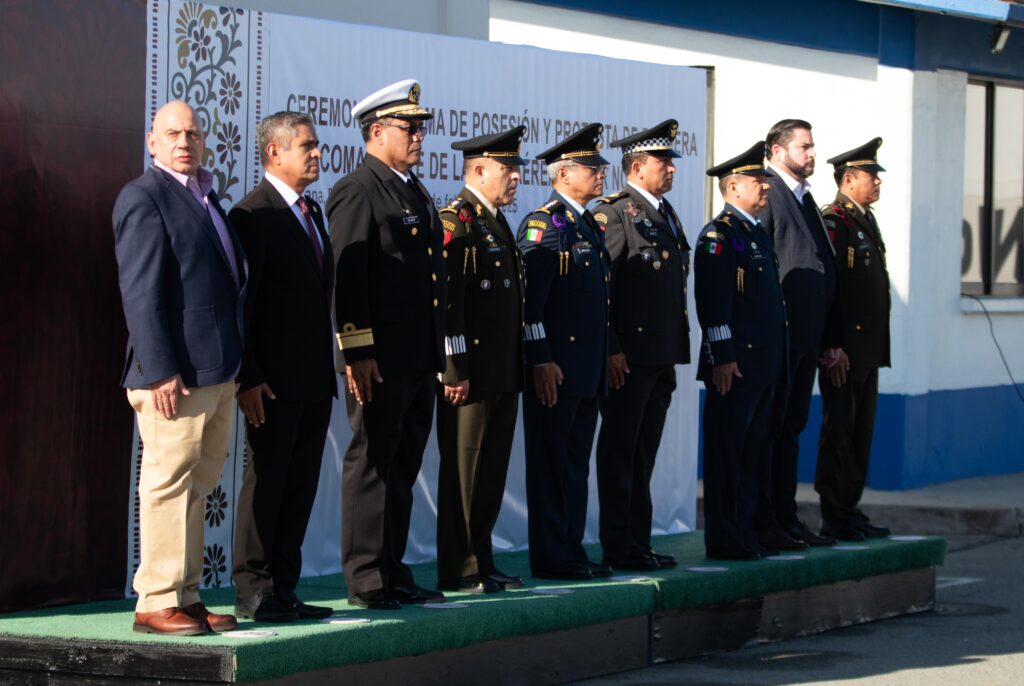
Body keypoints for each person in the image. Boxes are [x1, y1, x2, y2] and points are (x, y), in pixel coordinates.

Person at [113, 100, 246, 635]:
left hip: (216, 372)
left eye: (192, 133)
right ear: (152, 141)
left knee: (198, 484)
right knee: (168, 483)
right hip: (174, 376)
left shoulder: (207, 196)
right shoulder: (144, 197)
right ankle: (156, 599)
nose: (183, 141)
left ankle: (187, 595)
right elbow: (140, 294)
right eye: (172, 133)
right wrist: (161, 368)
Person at [326, 80, 446, 610]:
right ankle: (366, 577)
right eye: (410, 127)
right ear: (377, 131)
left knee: (403, 465)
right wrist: (357, 352)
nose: (420, 136)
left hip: (416, 356)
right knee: (372, 462)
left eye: (422, 127)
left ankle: (392, 568)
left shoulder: (412, 189)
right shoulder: (359, 189)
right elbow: (348, 280)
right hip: (379, 358)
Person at [230, 112, 336, 622]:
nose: (316, 153)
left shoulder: (311, 211)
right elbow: (242, 306)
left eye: (317, 145)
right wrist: (247, 376)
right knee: (267, 485)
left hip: (313, 381)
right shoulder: (253, 215)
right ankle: (254, 590)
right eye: (307, 146)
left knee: (299, 489)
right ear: (275, 152)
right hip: (269, 384)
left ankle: (285, 590)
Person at [592, 120, 691, 571]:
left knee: (644, 453)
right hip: (628, 360)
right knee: (620, 452)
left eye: (671, 161)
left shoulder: (665, 212)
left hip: (660, 356)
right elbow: (602, 288)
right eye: (662, 162)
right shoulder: (614, 213)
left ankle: (638, 540)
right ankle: (619, 544)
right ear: (636, 166)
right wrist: (611, 345)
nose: (670, 169)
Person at [517, 123, 612, 581]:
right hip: (555, 370)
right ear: (564, 174)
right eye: (592, 167)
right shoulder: (545, 224)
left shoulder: (587, 224)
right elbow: (530, 305)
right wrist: (540, 359)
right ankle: (553, 555)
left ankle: (571, 548)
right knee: (552, 466)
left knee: (575, 466)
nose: (601, 173)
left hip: (586, 370)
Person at [435, 127, 527, 594]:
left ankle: (483, 559)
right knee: (465, 471)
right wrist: (454, 369)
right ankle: (460, 566)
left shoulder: (496, 221)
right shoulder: (457, 220)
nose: (515, 177)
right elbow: (447, 302)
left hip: (501, 371)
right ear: (479, 170)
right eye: (506, 169)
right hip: (468, 374)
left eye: (516, 169)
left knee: (491, 471)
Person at [756, 119, 848, 551]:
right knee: (771, 430)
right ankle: (767, 520)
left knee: (792, 428)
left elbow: (823, 269)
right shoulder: (770, 194)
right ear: (777, 151)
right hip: (781, 338)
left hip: (806, 341)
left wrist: (830, 337)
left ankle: (787, 516)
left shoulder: (805, 199)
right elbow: (766, 269)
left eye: (812, 146)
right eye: (804, 147)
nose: (812, 154)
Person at [695, 142, 788, 560]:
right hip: (735, 365)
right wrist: (723, 356)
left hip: (763, 365)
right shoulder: (719, 235)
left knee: (754, 454)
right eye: (758, 181)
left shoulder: (755, 232)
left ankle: (745, 530)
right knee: (728, 454)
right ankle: (725, 535)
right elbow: (713, 303)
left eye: (766, 180)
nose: (766, 187)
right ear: (733, 186)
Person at [816, 138, 892, 541]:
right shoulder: (835, 221)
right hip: (846, 349)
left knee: (861, 431)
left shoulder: (866, 219)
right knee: (840, 430)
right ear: (848, 179)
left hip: (869, 348)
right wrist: (835, 343)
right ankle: (834, 512)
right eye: (870, 176)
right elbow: (834, 288)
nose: (877, 183)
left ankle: (850, 507)